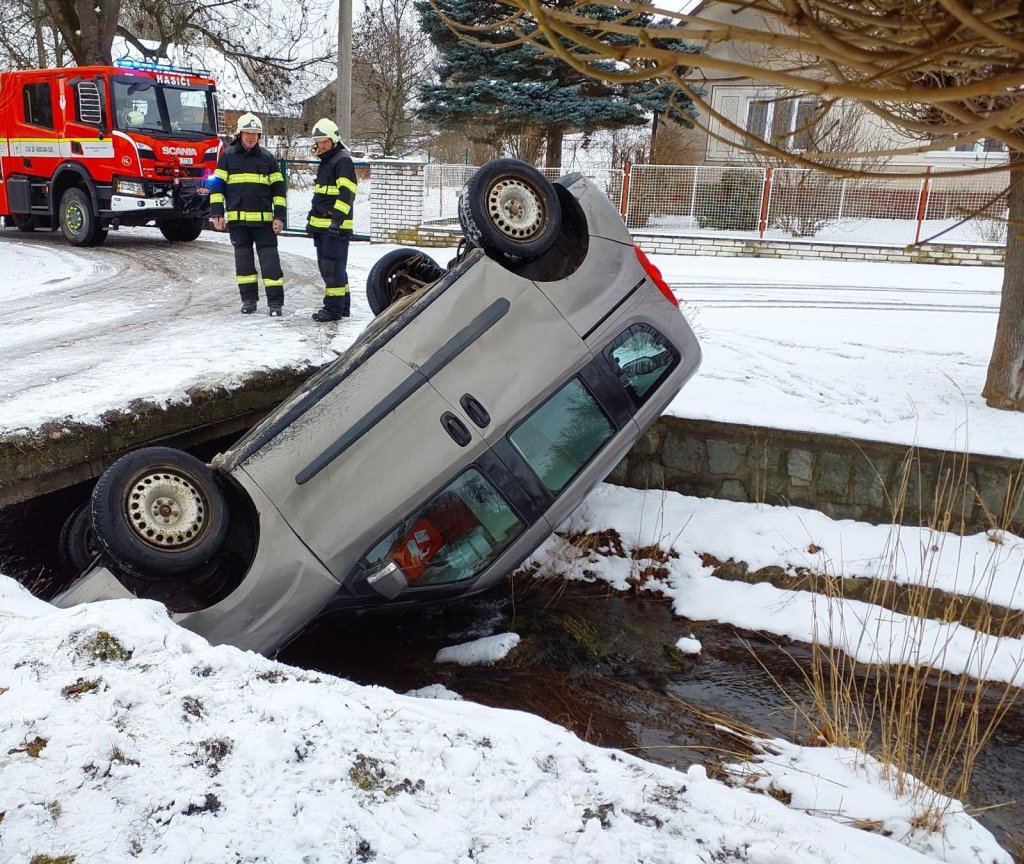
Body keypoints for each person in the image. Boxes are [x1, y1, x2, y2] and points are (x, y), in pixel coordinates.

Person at [207, 113, 287, 316]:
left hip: (264, 223)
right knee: (243, 265)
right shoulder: (227, 157)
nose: (251, 137)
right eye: (247, 133)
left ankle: (275, 304)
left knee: (270, 264)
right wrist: (217, 213)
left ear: (259, 136)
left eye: (255, 133)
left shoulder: (268, 158)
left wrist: (279, 217)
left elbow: (279, 191)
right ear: (240, 134)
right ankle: (249, 301)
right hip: (238, 223)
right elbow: (217, 188)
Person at [305, 117, 357, 321]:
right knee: (335, 268)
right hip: (323, 227)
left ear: (334, 140)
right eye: (319, 142)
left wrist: (337, 220)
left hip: (334, 228)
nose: (322, 145)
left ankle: (332, 310)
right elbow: (321, 196)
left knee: (332, 269)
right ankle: (343, 307)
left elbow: (347, 193)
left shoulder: (341, 161)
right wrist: (311, 220)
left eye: (325, 141)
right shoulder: (327, 162)